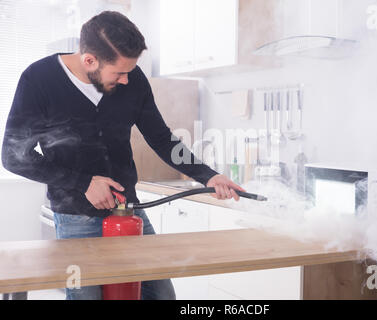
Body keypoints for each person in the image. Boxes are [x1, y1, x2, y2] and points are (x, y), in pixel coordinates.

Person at [1, 11, 245, 300]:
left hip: (129, 209)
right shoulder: (39, 79)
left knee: (162, 296)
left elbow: (162, 139)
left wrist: (209, 175)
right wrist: (84, 182)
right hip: (75, 217)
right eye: (119, 73)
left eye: (130, 71)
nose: (128, 80)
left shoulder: (134, 79)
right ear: (89, 60)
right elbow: (13, 155)